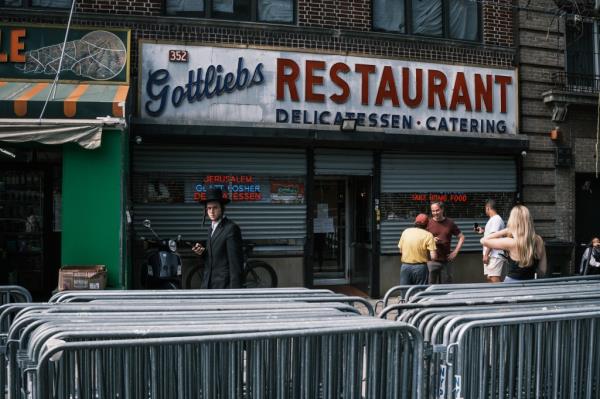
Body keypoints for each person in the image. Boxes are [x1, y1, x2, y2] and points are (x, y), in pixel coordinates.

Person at [192, 188, 243, 288]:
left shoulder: (231, 228)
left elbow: (235, 264)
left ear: (222, 208)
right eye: (209, 208)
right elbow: (214, 258)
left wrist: (235, 292)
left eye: (215, 208)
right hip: (208, 284)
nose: (211, 211)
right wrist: (202, 253)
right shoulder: (211, 229)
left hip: (224, 286)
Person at [480, 204, 547, 282]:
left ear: (513, 221)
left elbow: (483, 240)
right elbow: (542, 270)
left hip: (512, 285)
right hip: (531, 284)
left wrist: (506, 230)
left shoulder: (510, 242)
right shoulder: (539, 240)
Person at [426, 202, 465, 284]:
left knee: (446, 286)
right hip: (431, 260)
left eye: (437, 210)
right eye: (433, 211)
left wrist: (455, 252)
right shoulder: (428, 223)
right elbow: (421, 239)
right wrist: (431, 240)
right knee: (429, 286)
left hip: (446, 260)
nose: (435, 213)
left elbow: (462, 237)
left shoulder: (450, 223)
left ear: (442, 209)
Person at [398, 213, 437, 285]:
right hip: (421, 268)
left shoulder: (406, 232)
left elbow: (401, 251)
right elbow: (433, 257)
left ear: (415, 222)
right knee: (419, 292)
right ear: (427, 224)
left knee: (405, 292)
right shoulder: (428, 235)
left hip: (405, 267)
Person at [475, 199, 507, 283]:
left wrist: (486, 255)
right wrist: (483, 231)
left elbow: (493, 238)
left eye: (485, 209)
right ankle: (494, 295)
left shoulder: (496, 219)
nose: (485, 211)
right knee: (489, 278)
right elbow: (491, 234)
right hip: (491, 254)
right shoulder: (493, 220)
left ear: (488, 208)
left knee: (494, 278)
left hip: (494, 254)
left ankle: (502, 295)